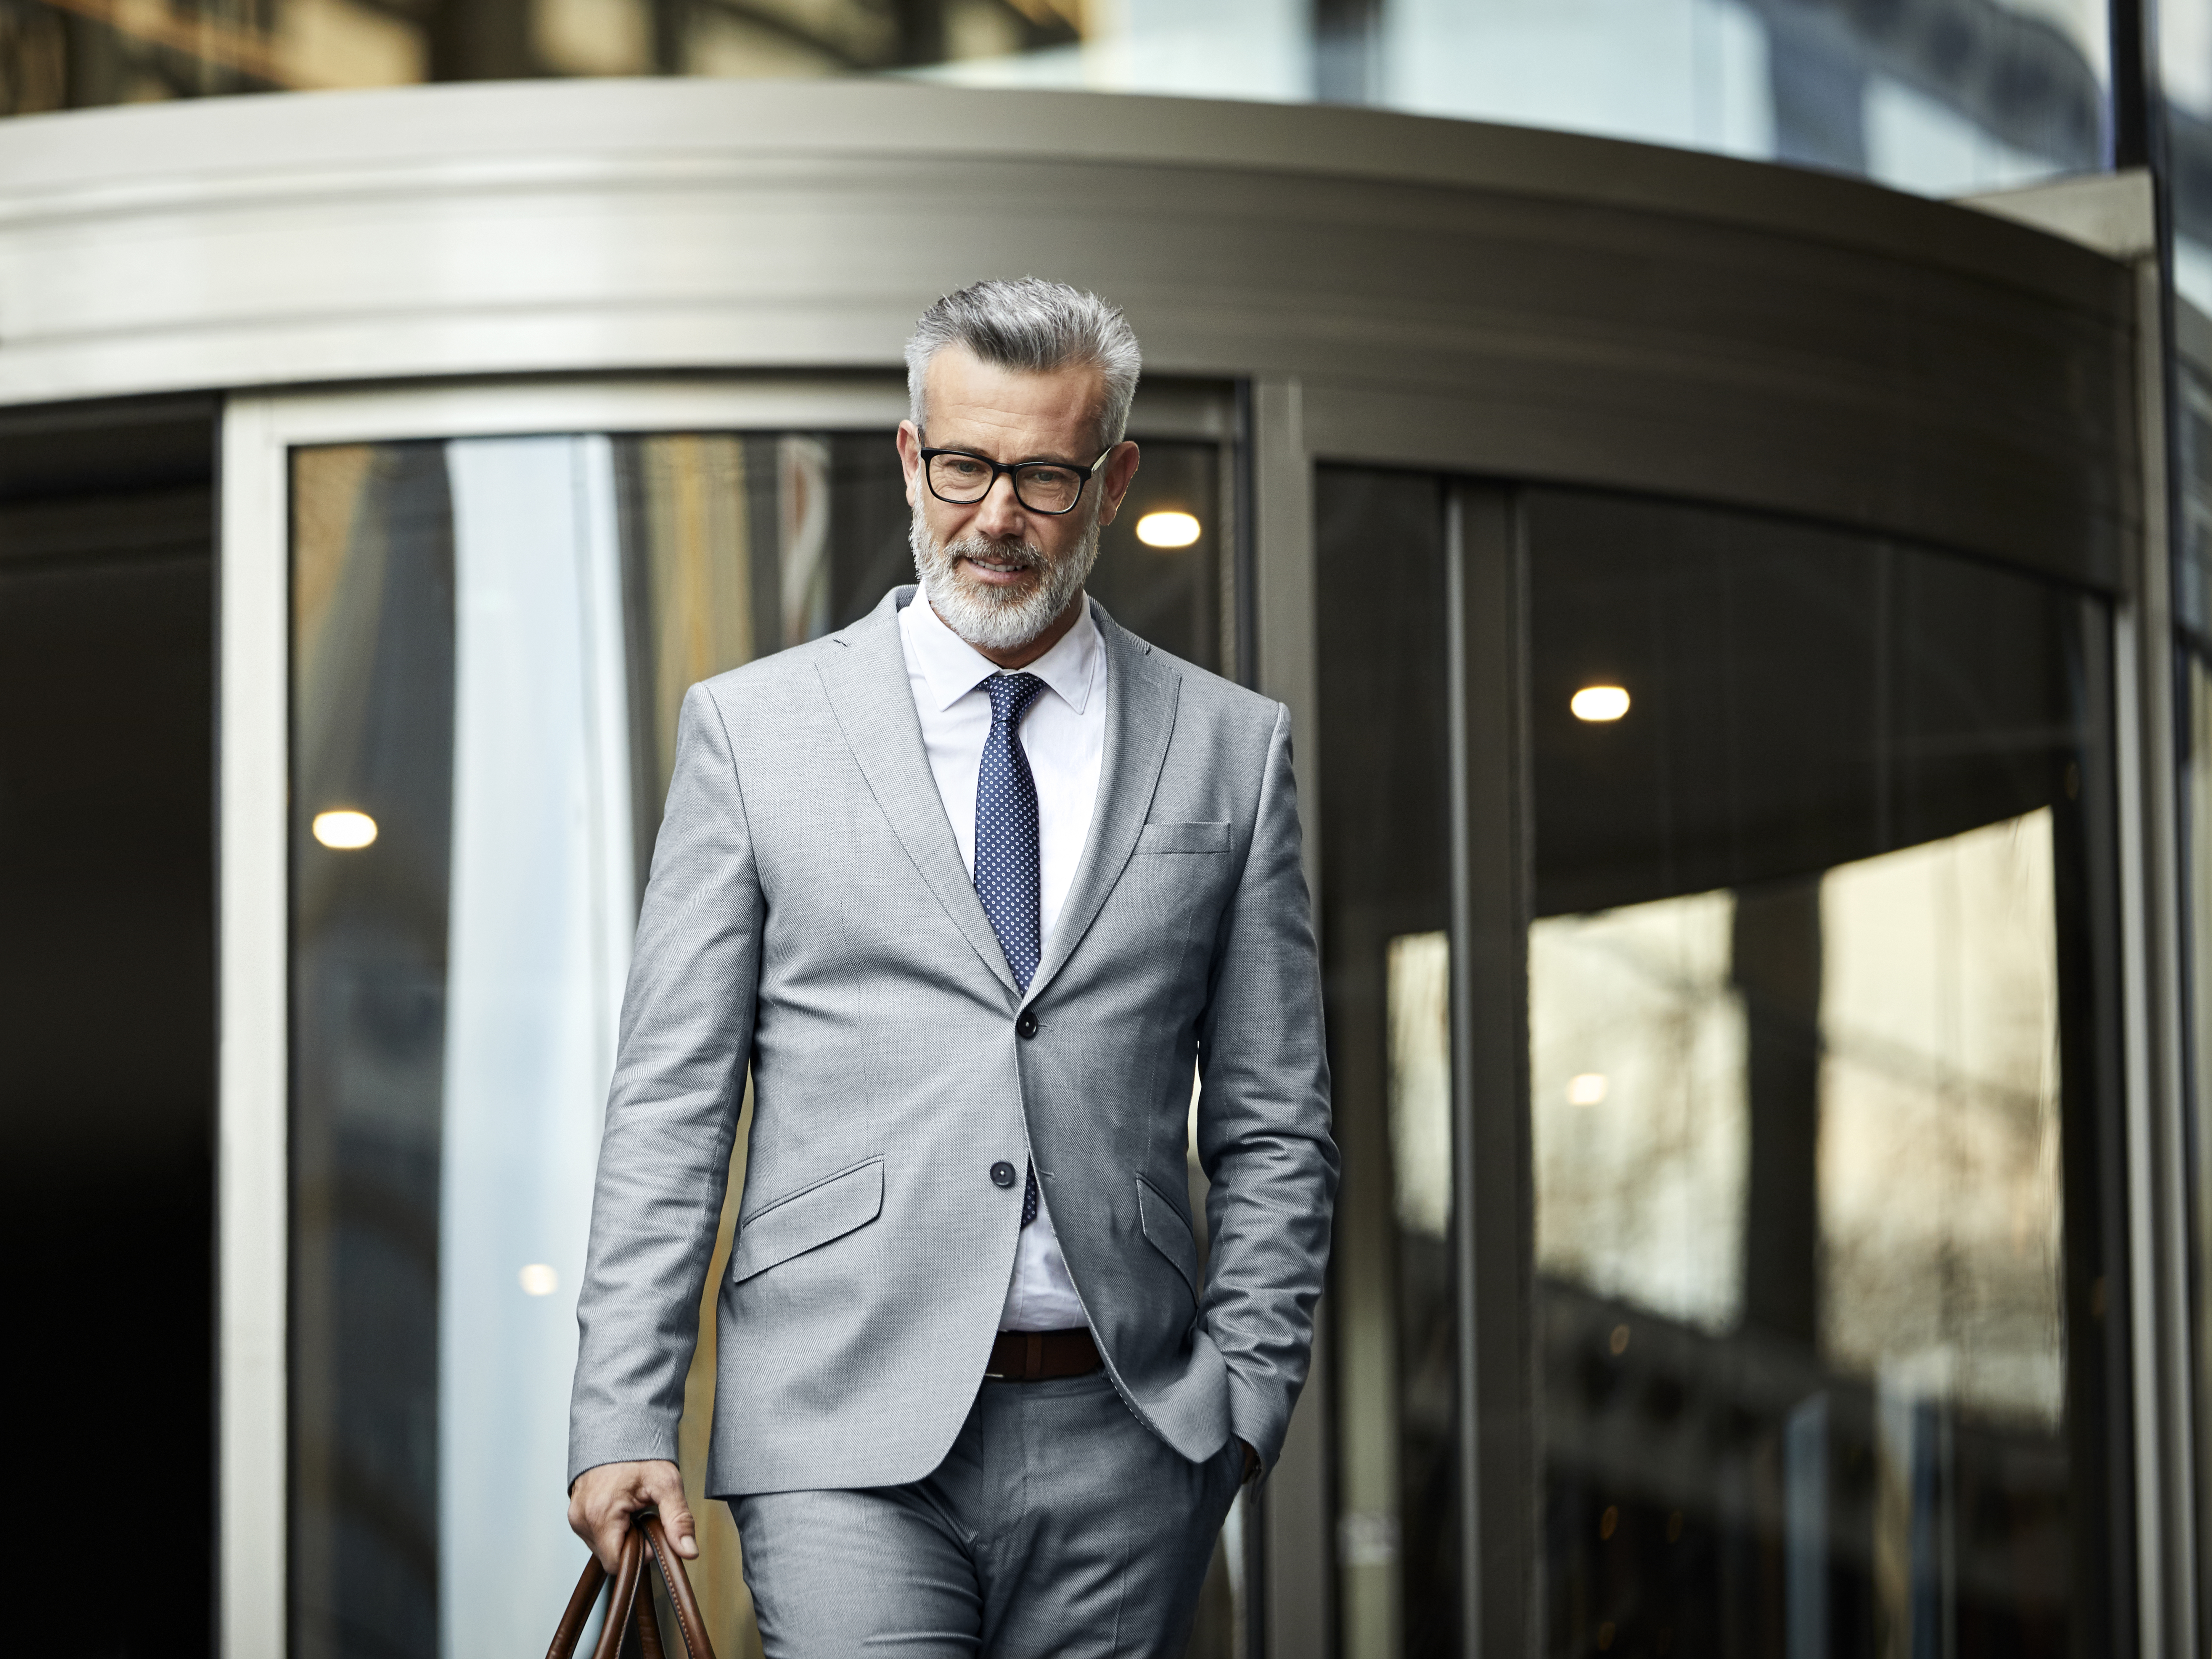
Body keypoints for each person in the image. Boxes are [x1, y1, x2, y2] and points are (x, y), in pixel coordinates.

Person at [565, 277, 1336, 1655]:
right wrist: (624, 1409)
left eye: (1043, 474)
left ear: (1113, 480)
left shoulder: (1232, 748)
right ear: (912, 458)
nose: (997, 517)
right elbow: (671, 1105)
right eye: (968, 465)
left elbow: (1277, 1118)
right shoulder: (753, 733)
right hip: (840, 1428)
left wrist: (1243, 1405)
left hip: (1132, 1434)